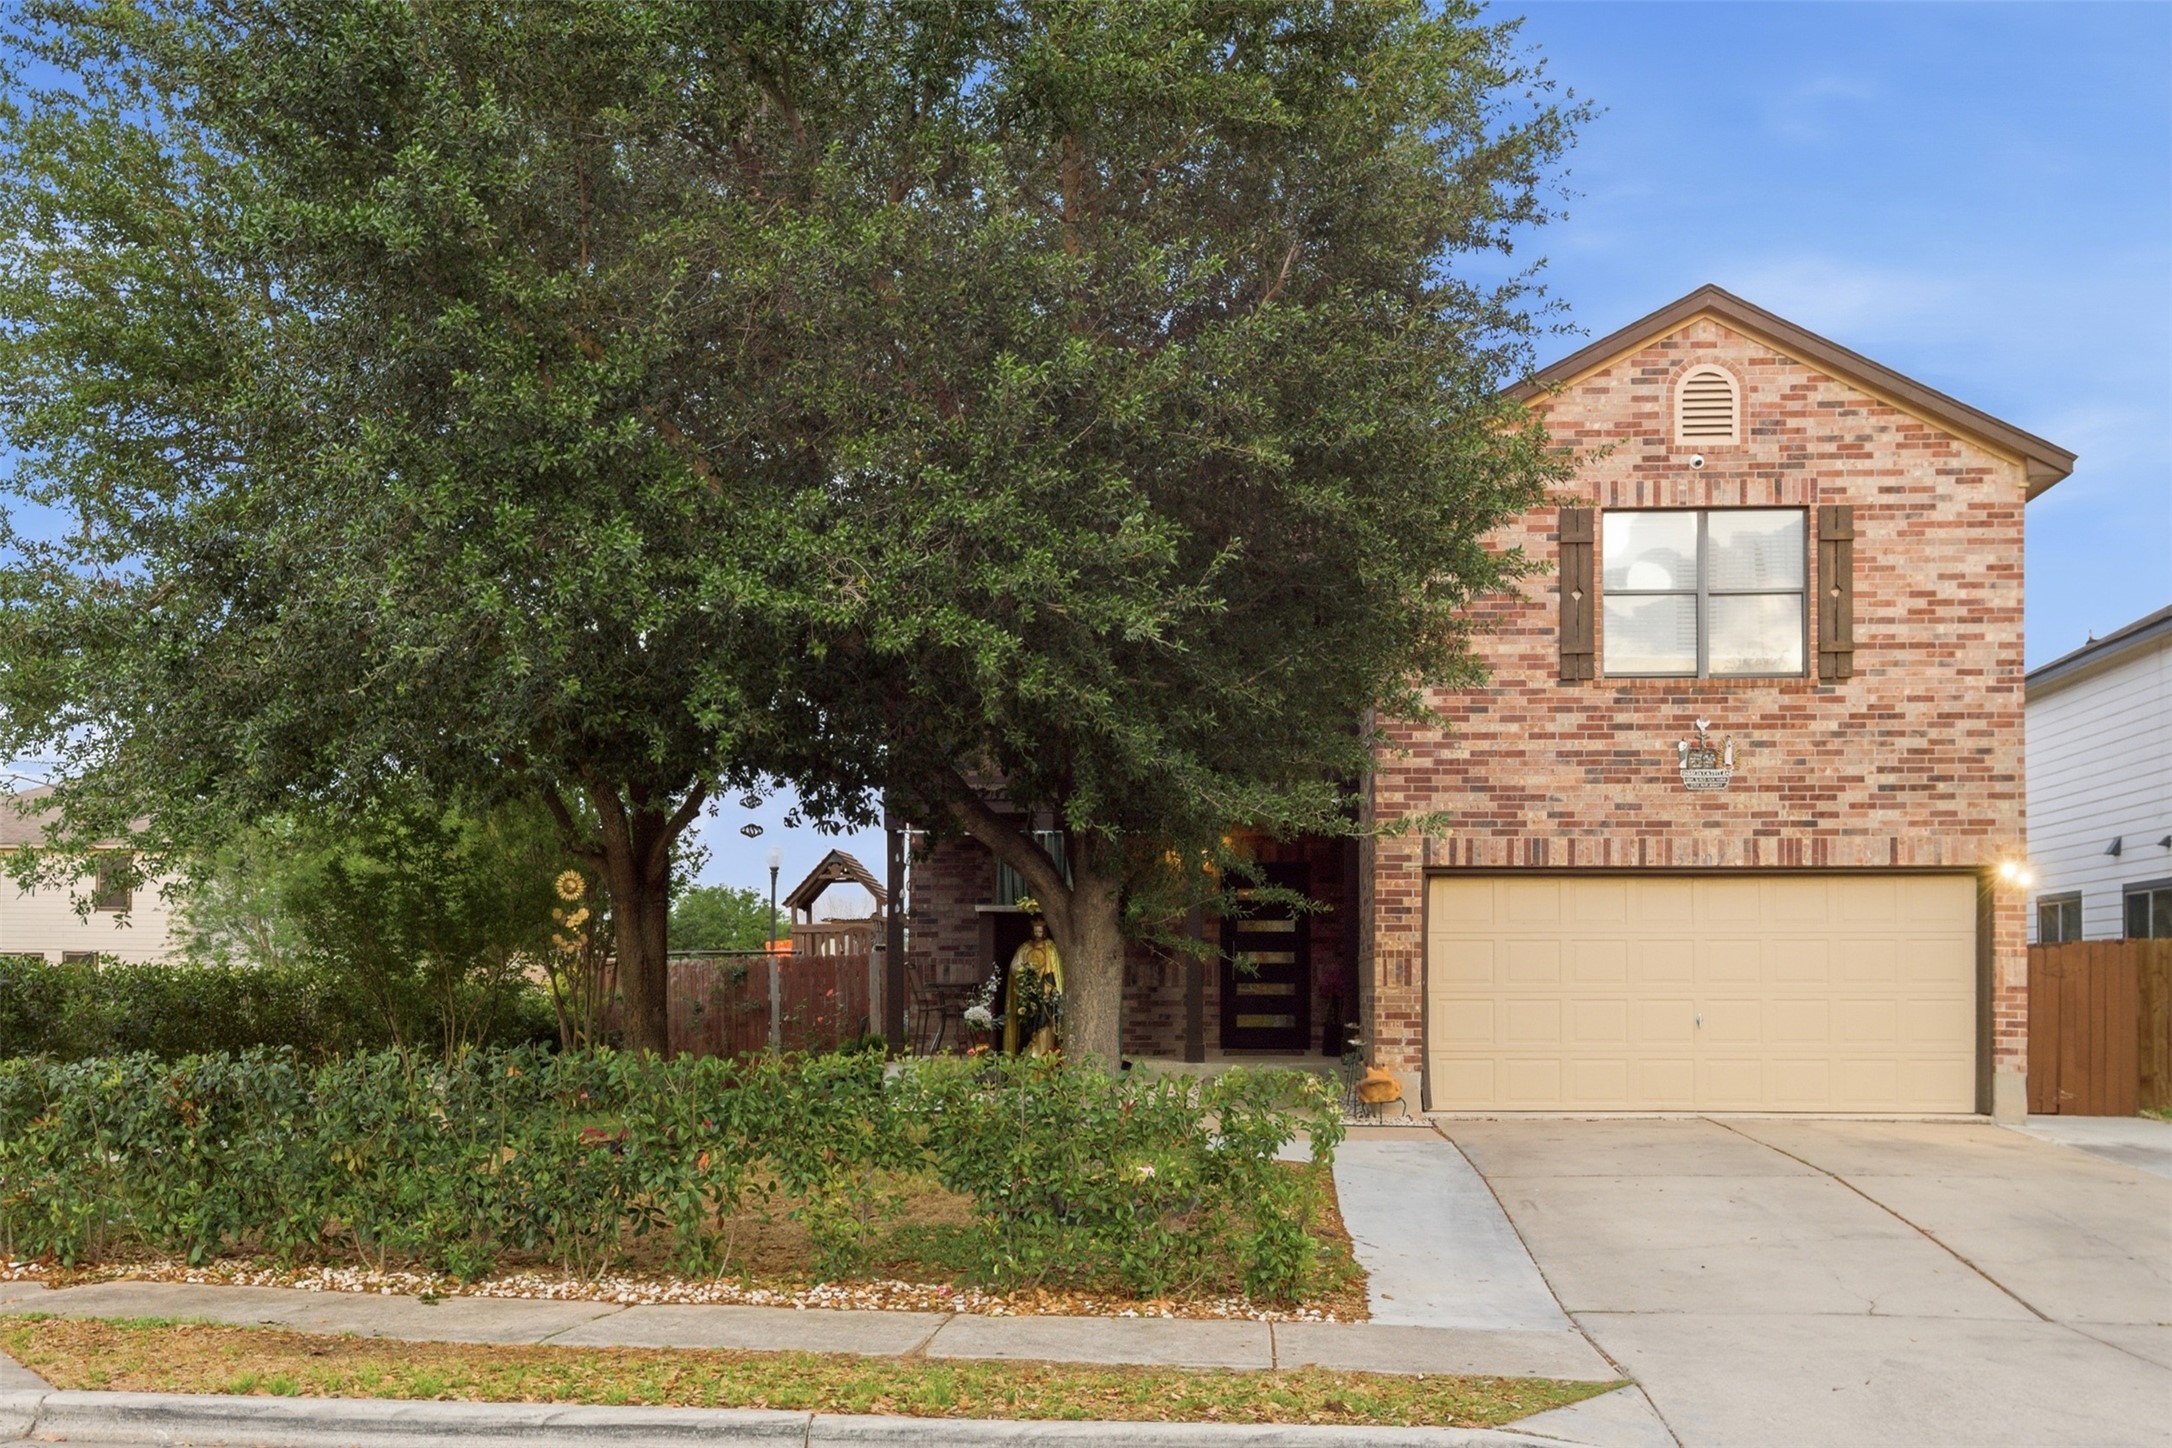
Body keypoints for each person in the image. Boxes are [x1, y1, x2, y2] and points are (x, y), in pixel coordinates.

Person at [1002, 910, 1064, 1057]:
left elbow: (1055, 973)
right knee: (1027, 1029)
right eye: (1036, 931)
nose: (1038, 934)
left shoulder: (1050, 949)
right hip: (1028, 998)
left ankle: (1044, 1060)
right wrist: (1025, 974)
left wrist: (1050, 990)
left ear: (1044, 931)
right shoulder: (1025, 949)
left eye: (1040, 931)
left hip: (1045, 996)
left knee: (1045, 1027)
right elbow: (1014, 968)